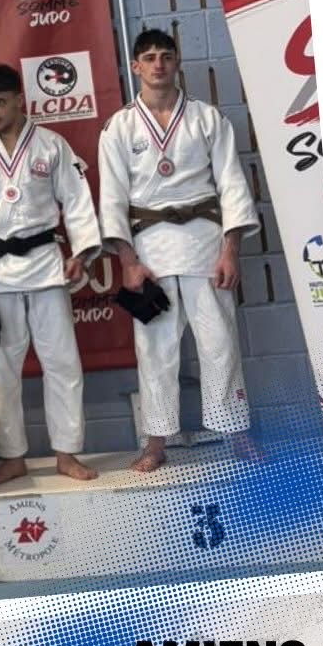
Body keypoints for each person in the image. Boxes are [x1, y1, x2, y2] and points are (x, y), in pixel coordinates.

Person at [98, 28, 260, 473]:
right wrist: (128, 263)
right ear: (135, 66)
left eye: (166, 56)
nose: (158, 64)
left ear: (177, 61)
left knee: (220, 340)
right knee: (155, 348)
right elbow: (112, 200)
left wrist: (231, 250)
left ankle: (236, 431)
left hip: (206, 243)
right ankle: (155, 442)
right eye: (149, 57)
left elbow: (232, 185)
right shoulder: (118, 128)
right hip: (150, 249)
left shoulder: (207, 119)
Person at [0, 62, 102, 484]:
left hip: (46, 265)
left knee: (62, 363)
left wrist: (81, 254)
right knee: (2, 370)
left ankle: (66, 452)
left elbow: (77, 201)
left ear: (18, 100)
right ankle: (12, 456)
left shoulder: (51, 145)